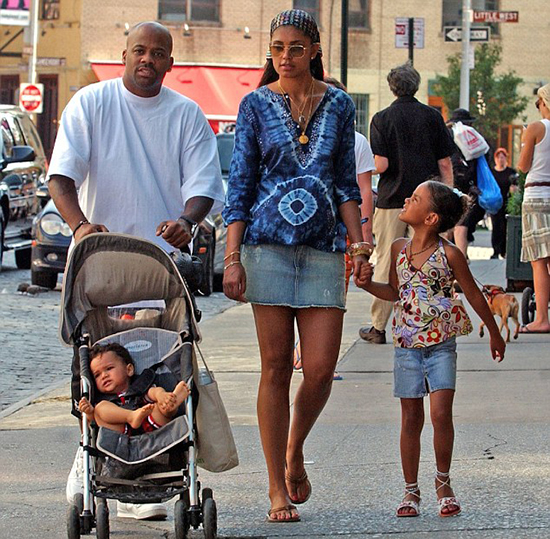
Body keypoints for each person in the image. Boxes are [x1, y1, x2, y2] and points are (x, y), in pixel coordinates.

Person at [47, 21, 224, 520]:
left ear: (171, 62)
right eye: (140, 50)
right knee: (98, 374)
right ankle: (91, 458)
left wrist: (188, 221)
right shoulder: (90, 103)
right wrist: (80, 225)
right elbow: (62, 176)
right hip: (101, 266)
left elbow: (204, 182)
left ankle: (153, 463)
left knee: (156, 373)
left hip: (162, 268)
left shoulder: (187, 114)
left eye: (159, 53)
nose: (148, 59)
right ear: (124, 54)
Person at [222, 9, 369, 523]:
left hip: (325, 248)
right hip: (266, 249)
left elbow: (347, 184)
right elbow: (239, 184)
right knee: (275, 368)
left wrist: (361, 246)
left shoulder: (340, 106)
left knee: (323, 369)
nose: (285, 57)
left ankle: (294, 448)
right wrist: (232, 256)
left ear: (315, 50)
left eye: (296, 48)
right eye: (277, 47)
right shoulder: (255, 105)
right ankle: (274, 488)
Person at [354, 180, 506, 518]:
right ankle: (411, 489)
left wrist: (495, 333)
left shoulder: (449, 254)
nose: (407, 199)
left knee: (440, 415)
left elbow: (475, 295)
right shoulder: (397, 249)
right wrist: (367, 285)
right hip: (406, 347)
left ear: (431, 218)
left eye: (416, 198)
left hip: (441, 347)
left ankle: (443, 481)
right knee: (410, 418)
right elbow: (396, 292)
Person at [359, 63, 455, 345]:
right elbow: (444, 163)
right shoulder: (433, 117)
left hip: (393, 201)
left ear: (392, 87)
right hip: (428, 200)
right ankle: (433, 319)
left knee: (388, 260)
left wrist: (365, 170)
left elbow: (383, 164)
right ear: (416, 85)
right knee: (430, 259)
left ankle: (378, 326)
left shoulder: (381, 118)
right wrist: (447, 196)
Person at [79, 343, 190, 434]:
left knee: (159, 406)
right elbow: (93, 424)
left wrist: (161, 396)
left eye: (109, 368)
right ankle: (131, 416)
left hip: (152, 425)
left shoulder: (139, 385)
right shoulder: (103, 399)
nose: (104, 376)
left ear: (129, 370)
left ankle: (171, 404)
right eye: (97, 375)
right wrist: (89, 413)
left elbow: (153, 392)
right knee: (100, 409)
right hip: (120, 434)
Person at [517, 84, 550, 334]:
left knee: (539, 261)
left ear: (544, 102)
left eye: (538, 103)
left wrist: (523, 143)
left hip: (537, 194)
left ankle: (541, 319)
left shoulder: (536, 128)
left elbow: (523, 165)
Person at [446, 108, 487, 258]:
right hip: (468, 188)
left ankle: (451, 261)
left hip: (452, 185)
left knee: (453, 224)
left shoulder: (450, 138)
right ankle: (460, 260)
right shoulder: (471, 140)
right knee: (461, 224)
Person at [490, 147, 517, 259]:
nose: (501, 159)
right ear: (495, 159)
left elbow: (516, 185)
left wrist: (514, 189)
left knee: (505, 226)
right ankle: (496, 250)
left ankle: (504, 251)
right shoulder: (492, 172)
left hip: (507, 201)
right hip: (495, 202)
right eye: (499, 157)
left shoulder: (511, 172)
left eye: (503, 157)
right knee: (496, 226)